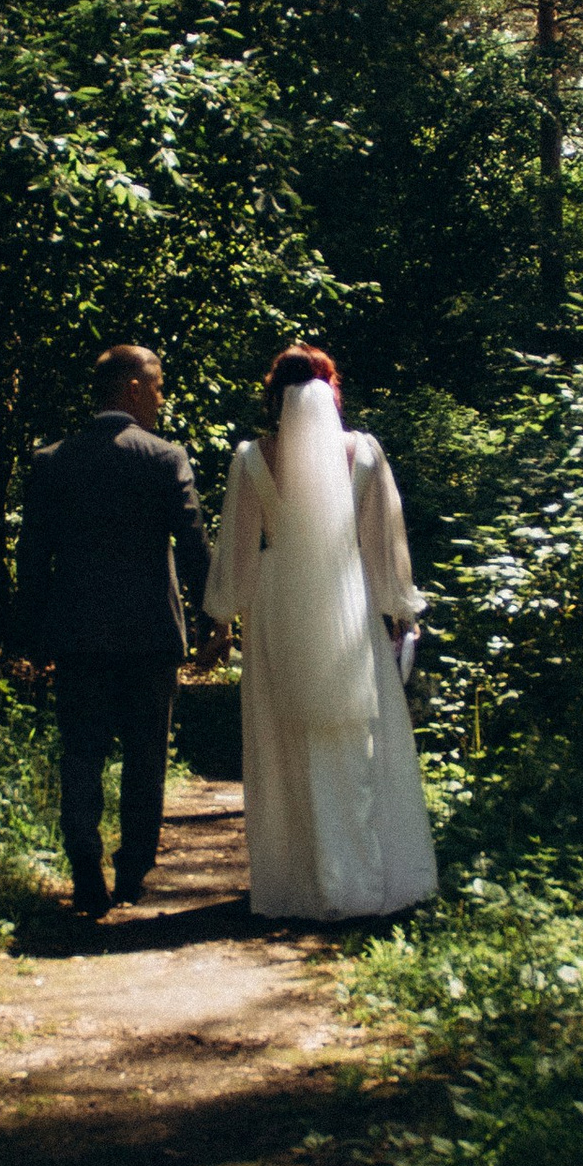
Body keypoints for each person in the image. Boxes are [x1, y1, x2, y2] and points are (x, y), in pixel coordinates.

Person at [202, 345, 437, 924]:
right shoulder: (363, 453)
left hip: (279, 604)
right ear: (331, 389)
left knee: (287, 738)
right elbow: (385, 539)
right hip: (347, 595)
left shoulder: (253, 458)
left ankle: (300, 883)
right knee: (357, 734)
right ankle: (363, 876)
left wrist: (224, 617)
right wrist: (398, 607)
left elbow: (237, 550)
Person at [14, 340, 213, 921]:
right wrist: (212, 619)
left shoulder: (53, 460)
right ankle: (131, 873)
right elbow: (195, 544)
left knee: (81, 755)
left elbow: (32, 557)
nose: (160, 394)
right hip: (150, 634)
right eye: (155, 383)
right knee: (146, 757)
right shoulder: (163, 456)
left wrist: (30, 638)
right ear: (130, 387)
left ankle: (85, 874)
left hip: (76, 635)